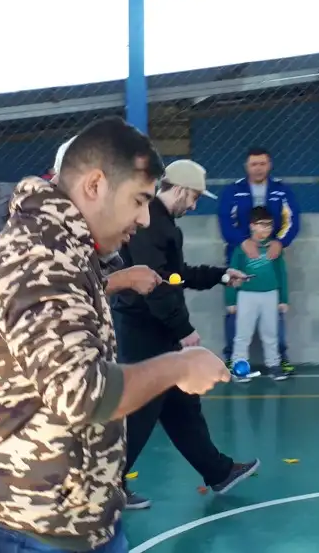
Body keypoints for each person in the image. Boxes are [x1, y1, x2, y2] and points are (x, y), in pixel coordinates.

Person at [0, 117, 231, 553]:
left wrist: (113, 281)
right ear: (95, 185)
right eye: (138, 200)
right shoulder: (38, 255)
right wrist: (180, 366)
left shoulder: (61, 246)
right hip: (29, 524)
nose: (143, 218)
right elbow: (82, 393)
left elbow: (59, 311)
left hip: (72, 514)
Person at [111, 159, 259, 510]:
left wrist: (221, 275)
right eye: (192, 198)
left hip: (159, 328)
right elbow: (155, 285)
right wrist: (185, 330)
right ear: (178, 190)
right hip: (144, 330)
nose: (193, 206)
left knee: (181, 406)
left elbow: (177, 275)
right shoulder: (150, 223)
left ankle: (219, 471)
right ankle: (107, 485)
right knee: (141, 408)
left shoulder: (164, 224)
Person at [218, 147, 300, 373]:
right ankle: (232, 358)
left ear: (269, 165)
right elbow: (225, 221)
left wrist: (280, 242)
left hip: (270, 255)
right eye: (254, 164)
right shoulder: (234, 191)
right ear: (247, 166)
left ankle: (279, 358)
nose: (258, 168)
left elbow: (292, 220)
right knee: (234, 310)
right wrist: (242, 242)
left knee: (275, 311)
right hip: (239, 255)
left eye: (262, 163)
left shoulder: (281, 190)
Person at [226, 206, 289, 382]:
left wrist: (283, 299)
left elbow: (282, 274)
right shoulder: (241, 249)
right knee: (243, 334)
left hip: (270, 295)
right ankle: (239, 367)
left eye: (269, 225)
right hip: (246, 295)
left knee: (270, 333)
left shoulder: (275, 248)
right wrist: (231, 300)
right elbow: (232, 275)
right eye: (262, 225)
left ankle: (274, 365)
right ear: (252, 225)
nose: (266, 229)